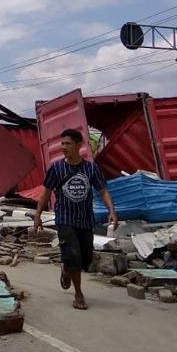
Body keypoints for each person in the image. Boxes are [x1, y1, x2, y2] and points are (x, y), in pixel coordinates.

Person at [33, 128, 118, 310]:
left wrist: (112, 211)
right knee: (73, 254)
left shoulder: (91, 169)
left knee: (86, 258)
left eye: (68, 144)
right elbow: (46, 193)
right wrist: (38, 214)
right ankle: (79, 294)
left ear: (79, 145)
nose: (63, 147)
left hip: (85, 219)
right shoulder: (56, 168)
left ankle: (67, 268)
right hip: (65, 218)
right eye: (62, 144)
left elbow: (103, 191)